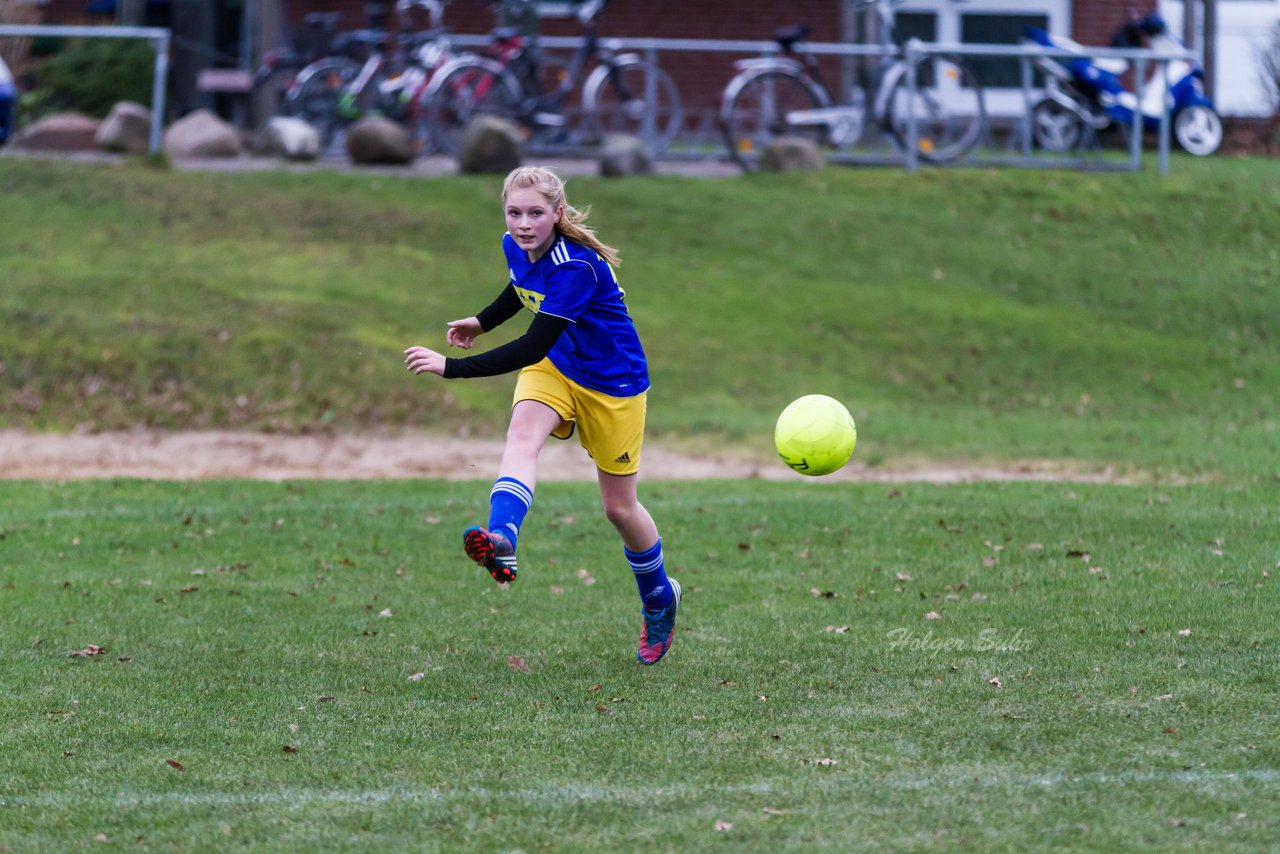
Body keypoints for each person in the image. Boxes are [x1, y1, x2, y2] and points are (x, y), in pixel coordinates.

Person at [403, 166, 681, 666]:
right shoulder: (515, 244)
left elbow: (533, 340)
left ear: (558, 213)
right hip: (556, 368)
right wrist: (481, 321)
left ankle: (660, 597)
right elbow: (520, 286)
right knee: (521, 436)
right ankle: (501, 538)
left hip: (613, 385)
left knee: (619, 509)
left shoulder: (577, 266)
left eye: (535, 213)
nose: (523, 224)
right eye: (514, 212)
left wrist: (453, 368)